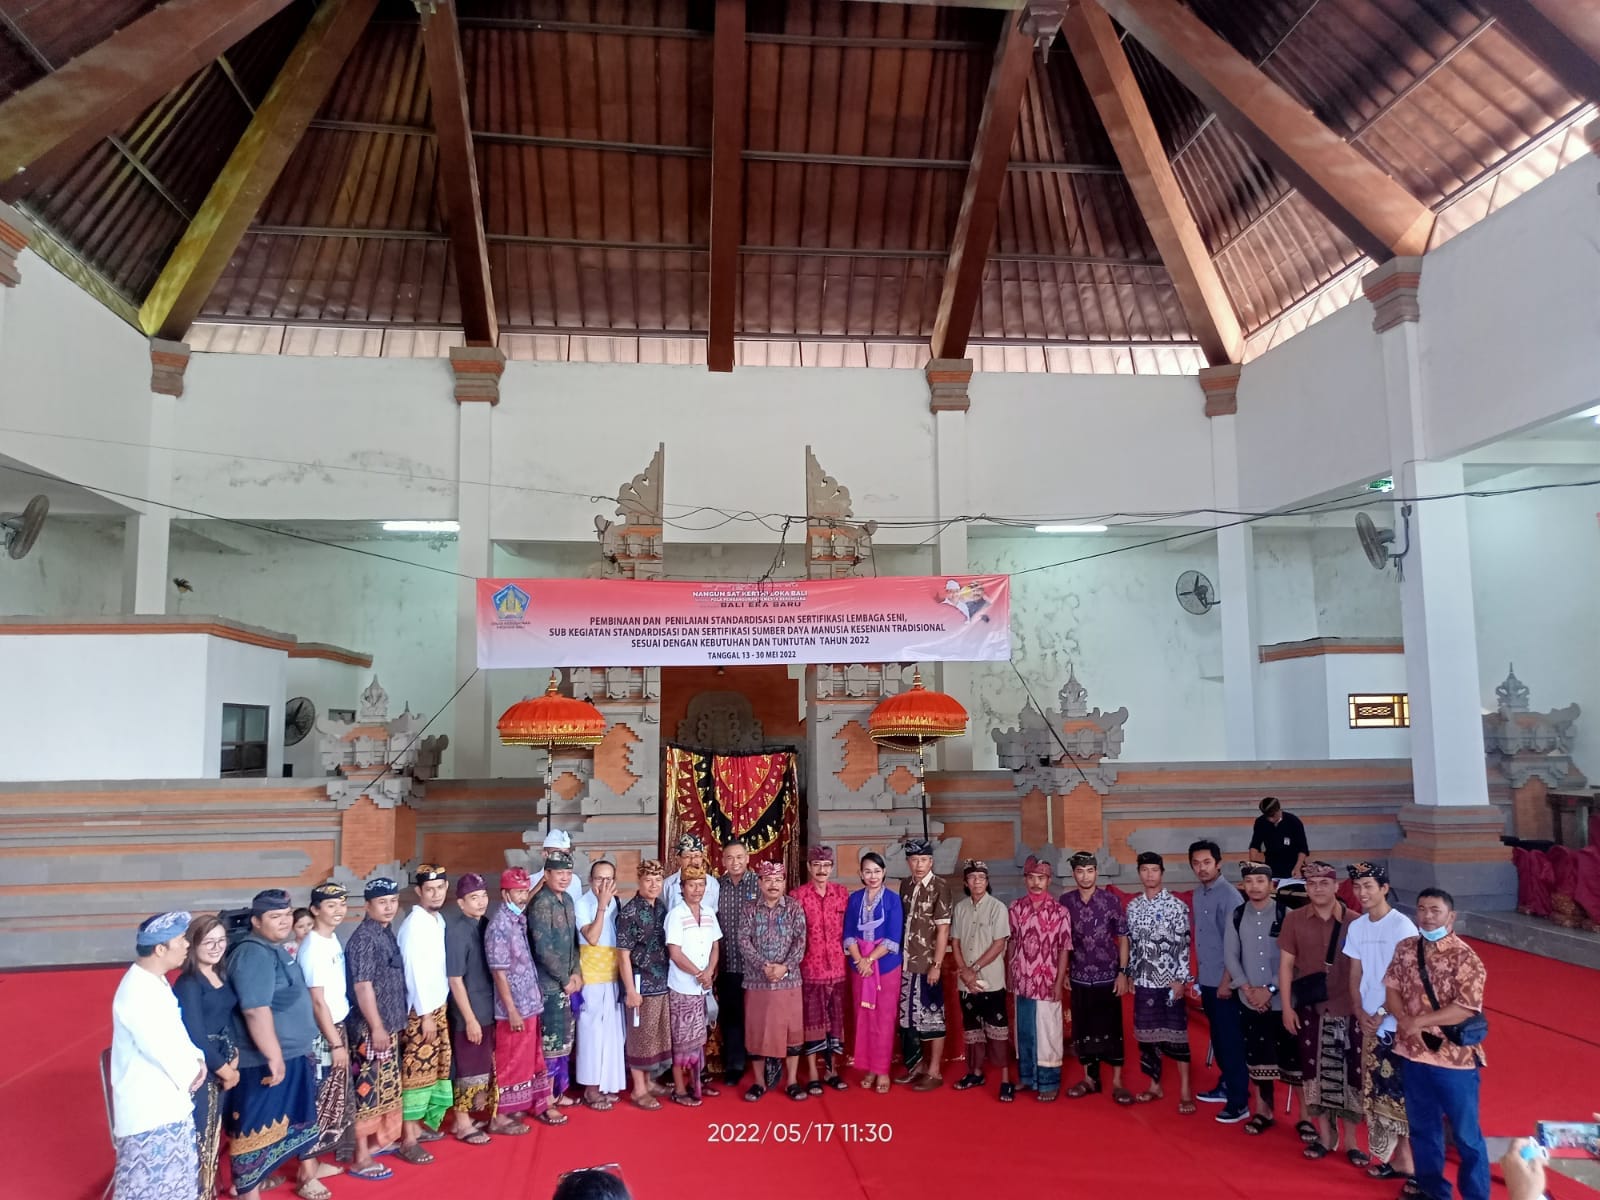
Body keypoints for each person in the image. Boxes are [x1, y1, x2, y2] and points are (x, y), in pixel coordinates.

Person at [1384, 887, 1490, 1200]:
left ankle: (1476, 1195)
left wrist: (1418, 1022)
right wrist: (1403, 1019)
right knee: (1422, 1128)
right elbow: (1392, 988)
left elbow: (1466, 1008)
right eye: (1422, 909)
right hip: (1414, 1055)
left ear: (1450, 916)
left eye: (1435, 911)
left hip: (1453, 1060)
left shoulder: (1465, 956)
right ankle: (1432, 1190)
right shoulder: (1406, 948)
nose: (1427, 916)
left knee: (1466, 1135)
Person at [225, 889, 323, 1200]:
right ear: (256, 921)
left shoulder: (273, 948)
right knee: (255, 1129)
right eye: (274, 916)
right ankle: (247, 1193)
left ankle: (261, 1181)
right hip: (262, 1061)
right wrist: (274, 1055)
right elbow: (255, 1009)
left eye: (287, 914)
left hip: (291, 1053)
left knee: (284, 1125)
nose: (284, 921)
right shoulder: (252, 953)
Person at [113, 912, 205, 1200]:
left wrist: (197, 1059)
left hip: (168, 1103)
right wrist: (193, 1070)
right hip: (150, 1110)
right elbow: (162, 1046)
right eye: (181, 940)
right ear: (160, 949)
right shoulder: (139, 990)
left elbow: (177, 1033)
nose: (187, 945)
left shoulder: (155, 981)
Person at [1279, 860, 1362, 1161]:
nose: (1318, 889)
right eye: (1311, 884)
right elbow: (1286, 966)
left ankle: (1352, 1142)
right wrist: (1286, 1007)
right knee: (1314, 1073)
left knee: (1351, 1076)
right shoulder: (1294, 920)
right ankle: (1325, 1138)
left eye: (1324, 883)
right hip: (1311, 1009)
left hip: (1349, 1008)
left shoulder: (1355, 922)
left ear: (1336, 886)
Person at [1344, 861, 1418, 1181]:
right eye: (1357, 886)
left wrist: (1381, 1013)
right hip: (1369, 1023)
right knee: (1377, 1093)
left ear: (1384, 888)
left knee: (1400, 1095)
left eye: (1368, 886)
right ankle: (1397, 1159)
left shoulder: (1402, 927)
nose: (1362, 893)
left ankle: (1411, 1163)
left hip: (1395, 1025)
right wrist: (1359, 1010)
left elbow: (1407, 979)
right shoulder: (1357, 927)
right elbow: (1355, 973)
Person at [1223, 861, 1298, 1133]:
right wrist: (1248, 990)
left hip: (1283, 1002)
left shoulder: (1287, 914)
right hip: (1250, 1001)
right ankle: (1263, 1112)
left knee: (1294, 1062)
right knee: (1256, 1058)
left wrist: (1270, 989)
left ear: (1271, 884)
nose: (1254, 886)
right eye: (1249, 881)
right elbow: (1231, 956)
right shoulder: (1236, 915)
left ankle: (1304, 1118)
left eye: (1260, 881)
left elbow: (1295, 959)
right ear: (1242, 885)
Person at [446, 873, 520, 1142]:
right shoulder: (456, 932)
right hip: (470, 1011)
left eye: (483, 896)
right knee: (467, 1067)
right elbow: (455, 980)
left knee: (488, 1066)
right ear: (461, 903)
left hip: (489, 1007)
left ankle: (492, 1116)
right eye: (473, 898)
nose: (480, 902)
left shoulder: (486, 925)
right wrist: (469, 1019)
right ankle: (462, 1123)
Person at [485, 867, 560, 1126]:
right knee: (510, 1061)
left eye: (525, 891)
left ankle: (522, 1106)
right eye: (518, 892)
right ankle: (500, 1117)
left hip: (530, 1005)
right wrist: (512, 1010)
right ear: (505, 893)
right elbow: (499, 972)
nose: (522, 896)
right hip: (512, 1010)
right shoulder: (500, 926)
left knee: (530, 1060)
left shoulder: (518, 919)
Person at [344, 877, 408, 1178]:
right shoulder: (364, 939)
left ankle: (376, 1143)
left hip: (388, 1025)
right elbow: (363, 986)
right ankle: (360, 1156)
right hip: (370, 1029)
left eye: (393, 901)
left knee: (385, 1089)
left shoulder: (385, 932)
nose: (389, 907)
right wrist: (377, 1027)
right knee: (367, 1092)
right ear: (367, 905)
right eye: (382, 902)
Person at [175, 915, 240, 1200]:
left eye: (221, 941)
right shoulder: (189, 983)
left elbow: (227, 1019)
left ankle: (208, 1188)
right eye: (209, 942)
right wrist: (226, 1070)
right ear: (193, 944)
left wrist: (235, 1057)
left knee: (214, 1134)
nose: (216, 947)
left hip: (224, 1061)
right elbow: (196, 1035)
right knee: (202, 1136)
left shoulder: (219, 974)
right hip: (203, 1069)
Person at [1125, 851, 1196, 1114]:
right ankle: (1155, 1085)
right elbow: (1132, 945)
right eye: (1145, 870)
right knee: (1147, 1038)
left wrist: (1180, 979)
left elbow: (1184, 946)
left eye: (1154, 870)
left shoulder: (1177, 906)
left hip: (1169, 982)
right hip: (1144, 980)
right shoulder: (1133, 907)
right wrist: (1130, 973)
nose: (1150, 875)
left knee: (1177, 1037)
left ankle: (1186, 1091)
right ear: (1139, 873)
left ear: (1162, 873)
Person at [1061, 851, 1131, 1102]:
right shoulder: (1066, 901)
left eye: (1090, 871)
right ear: (1073, 874)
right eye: (1080, 871)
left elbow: (1123, 938)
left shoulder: (1111, 900)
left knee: (1111, 1028)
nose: (1085, 876)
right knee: (1084, 1028)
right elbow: (1064, 941)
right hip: (1079, 975)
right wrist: (1066, 971)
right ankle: (1090, 1079)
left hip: (1107, 975)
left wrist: (1123, 972)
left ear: (1096, 873)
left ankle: (1117, 1082)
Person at [293, 884, 352, 1179]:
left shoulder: (331, 939)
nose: (339, 910)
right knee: (317, 1098)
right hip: (322, 1033)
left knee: (331, 1098)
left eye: (342, 904)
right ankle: (306, 1170)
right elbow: (317, 1001)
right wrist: (335, 1044)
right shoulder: (314, 947)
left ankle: (314, 1162)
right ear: (315, 910)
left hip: (336, 1026)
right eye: (331, 905)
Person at [1189, 839, 1250, 1124]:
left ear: (1218, 863)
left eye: (1207, 862)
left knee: (1231, 1040)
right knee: (1218, 1037)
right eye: (1196, 863)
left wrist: (1228, 980)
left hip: (1226, 982)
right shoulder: (1198, 894)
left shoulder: (1230, 896)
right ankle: (1226, 1085)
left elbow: (1236, 943)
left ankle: (1239, 1101)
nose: (1202, 868)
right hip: (1208, 979)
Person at [395, 865, 452, 1163]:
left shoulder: (437, 920)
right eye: (429, 889)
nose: (436, 894)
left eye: (440, 888)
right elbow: (413, 972)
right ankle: (408, 1140)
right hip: (422, 1012)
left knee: (434, 1071)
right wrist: (425, 1013)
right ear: (419, 891)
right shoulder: (414, 924)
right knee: (416, 1073)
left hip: (437, 1007)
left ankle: (418, 1126)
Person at [740, 860, 808, 1102]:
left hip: (789, 981)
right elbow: (743, 941)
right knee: (757, 1031)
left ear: (784, 882)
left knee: (792, 1032)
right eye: (768, 880)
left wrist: (784, 967)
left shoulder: (794, 907)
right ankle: (759, 1082)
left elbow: (800, 941)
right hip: (757, 980)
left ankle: (791, 1082)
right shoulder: (749, 908)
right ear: (759, 882)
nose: (773, 885)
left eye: (778, 880)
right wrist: (764, 966)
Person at [1007, 855, 1072, 1102]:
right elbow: (1012, 941)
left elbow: (1064, 948)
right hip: (1022, 978)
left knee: (1048, 1032)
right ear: (1025, 879)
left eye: (1041, 878)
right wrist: (1010, 973)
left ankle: (1048, 1082)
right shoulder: (1016, 908)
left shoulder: (1060, 912)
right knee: (1024, 1030)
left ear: (1049, 880)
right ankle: (1026, 1077)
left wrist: (1059, 982)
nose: (1036, 883)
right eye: (1031, 878)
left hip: (1047, 981)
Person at [949, 859, 1011, 1100]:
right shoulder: (960, 908)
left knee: (998, 1029)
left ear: (987, 881)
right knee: (972, 1028)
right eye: (972, 877)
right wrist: (964, 971)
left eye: (981, 877)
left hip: (991, 980)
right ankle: (975, 1073)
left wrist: (973, 968)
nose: (977, 881)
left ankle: (1005, 1079)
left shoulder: (997, 908)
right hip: (966, 981)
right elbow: (955, 943)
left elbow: (999, 944)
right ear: (966, 882)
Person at [895, 836, 952, 1090]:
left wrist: (936, 965)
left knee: (933, 1018)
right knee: (908, 1020)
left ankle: (934, 1071)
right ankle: (915, 1067)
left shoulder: (940, 886)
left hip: (928, 965)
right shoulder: (905, 885)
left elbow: (943, 930)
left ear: (931, 861)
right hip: (906, 963)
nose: (919, 865)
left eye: (924, 860)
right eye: (914, 860)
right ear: (908, 862)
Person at [844, 851, 903, 1094]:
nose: (872, 876)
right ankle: (869, 1067)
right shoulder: (855, 899)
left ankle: (882, 1070)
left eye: (877, 871)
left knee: (884, 1020)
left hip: (886, 967)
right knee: (864, 1018)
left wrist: (869, 960)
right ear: (860, 874)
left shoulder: (893, 900)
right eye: (867, 871)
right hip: (859, 968)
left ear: (884, 872)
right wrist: (860, 961)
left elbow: (892, 938)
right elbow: (848, 933)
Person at [663, 862, 722, 1105]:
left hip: (703, 987)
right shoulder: (676, 915)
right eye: (691, 885)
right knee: (681, 1040)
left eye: (701, 885)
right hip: (682, 988)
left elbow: (715, 945)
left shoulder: (708, 913)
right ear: (682, 887)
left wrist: (709, 971)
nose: (697, 890)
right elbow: (675, 953)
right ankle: (679, 1089)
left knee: (699, 1039)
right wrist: (699, 973)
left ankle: (696, 1083)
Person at [530, 847, 584, 1110]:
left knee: (564, 1043)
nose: (564, 878)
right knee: (550, 1046)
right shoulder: (542, 903)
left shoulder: (568, 900)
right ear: (547, 874)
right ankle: (545, 1099)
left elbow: (574, 942)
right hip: (549, 986)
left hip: (567, 982)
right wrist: (564, 979)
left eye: (568, 873)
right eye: (559, 873)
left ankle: (558, 1092)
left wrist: (576, 973)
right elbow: (543, 949)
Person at [616, 859, 673, 1110]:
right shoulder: (630, 912)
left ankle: (649, 1082)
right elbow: (623, 954)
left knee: (655, 1036)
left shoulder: (660, 907)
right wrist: (630, 990)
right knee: (640, 1037)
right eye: (648, 880)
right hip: (640, 983)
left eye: (658, 880)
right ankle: (638, 1090)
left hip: (661, 981)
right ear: (639, 881)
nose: (653, 885)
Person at [795, 844, 849, 1093]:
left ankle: (832, 1070)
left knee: (835, 1022)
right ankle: (813, 1074)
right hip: (810, 969)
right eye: (817, 865)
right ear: (809, 867)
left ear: (832, 868)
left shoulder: (842, 894)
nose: (821, 870)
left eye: (826, 865)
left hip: (838, 969)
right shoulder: (798, 896)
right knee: (813, 1022)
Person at [574, 859, 628, 1110]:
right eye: (599, 879)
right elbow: (593, 937)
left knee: (612, 1035)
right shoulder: (583, 904)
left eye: (609, 880)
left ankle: (607, 1084)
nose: (604, 885)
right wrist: (602, 906)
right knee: (592, 1035)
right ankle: (591, 1089)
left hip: (612, 977)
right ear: (590, 880)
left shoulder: (617, 903)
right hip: (591, 978)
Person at [714, 838, 760, 1087]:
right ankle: (735, 1064)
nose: (735, 862)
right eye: (730, 858)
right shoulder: (716, 886)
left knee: (756, 1016)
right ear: (723, 860)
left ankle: (761, 1060)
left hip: (755, 965)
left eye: (739, 857)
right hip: (727, 962)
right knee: (731, 1016)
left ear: (747, 858)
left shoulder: (758, 883)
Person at [1250, 796, 1309, 882]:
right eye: (1267, 817)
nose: (1270, 819)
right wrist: (1252, 867)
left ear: (1278, 810)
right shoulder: (1260, 822)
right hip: (1271, 867)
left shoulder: (1293, 821)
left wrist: (1297, 868)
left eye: (1272, 816)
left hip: (1292, 867)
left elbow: (1303, 849)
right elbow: (1255, 845)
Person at [664, 833, 721, 913]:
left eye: (697, 856)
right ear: (679, 859)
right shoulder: (668, 885)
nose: (693, 861)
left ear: (702, 858)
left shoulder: (712, 884)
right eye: (687, 856)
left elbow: (714, 913)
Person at [530, 828, 585, 904]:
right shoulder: (531, 880)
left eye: (565, 853)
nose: (562, 857)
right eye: (557, 853)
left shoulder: (575, 880)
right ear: (545, 854)